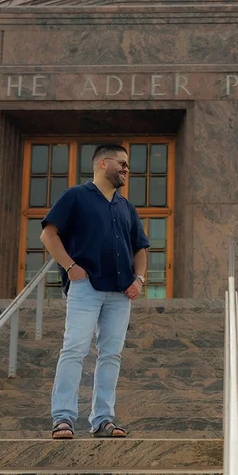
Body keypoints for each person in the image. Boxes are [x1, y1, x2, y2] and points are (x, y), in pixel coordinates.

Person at [40, 143, 150, 439]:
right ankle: (62, 418)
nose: (127, 169)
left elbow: (140, 247)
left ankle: (103, 420)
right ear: (103, 164)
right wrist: (70, 266)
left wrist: (139, 279)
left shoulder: (126, 207)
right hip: (85, 288)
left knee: (111, 355)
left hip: (120, 293)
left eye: (127, 165)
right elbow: (48, 234)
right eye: (122, 163)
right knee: (74, 349)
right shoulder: (76, 196)